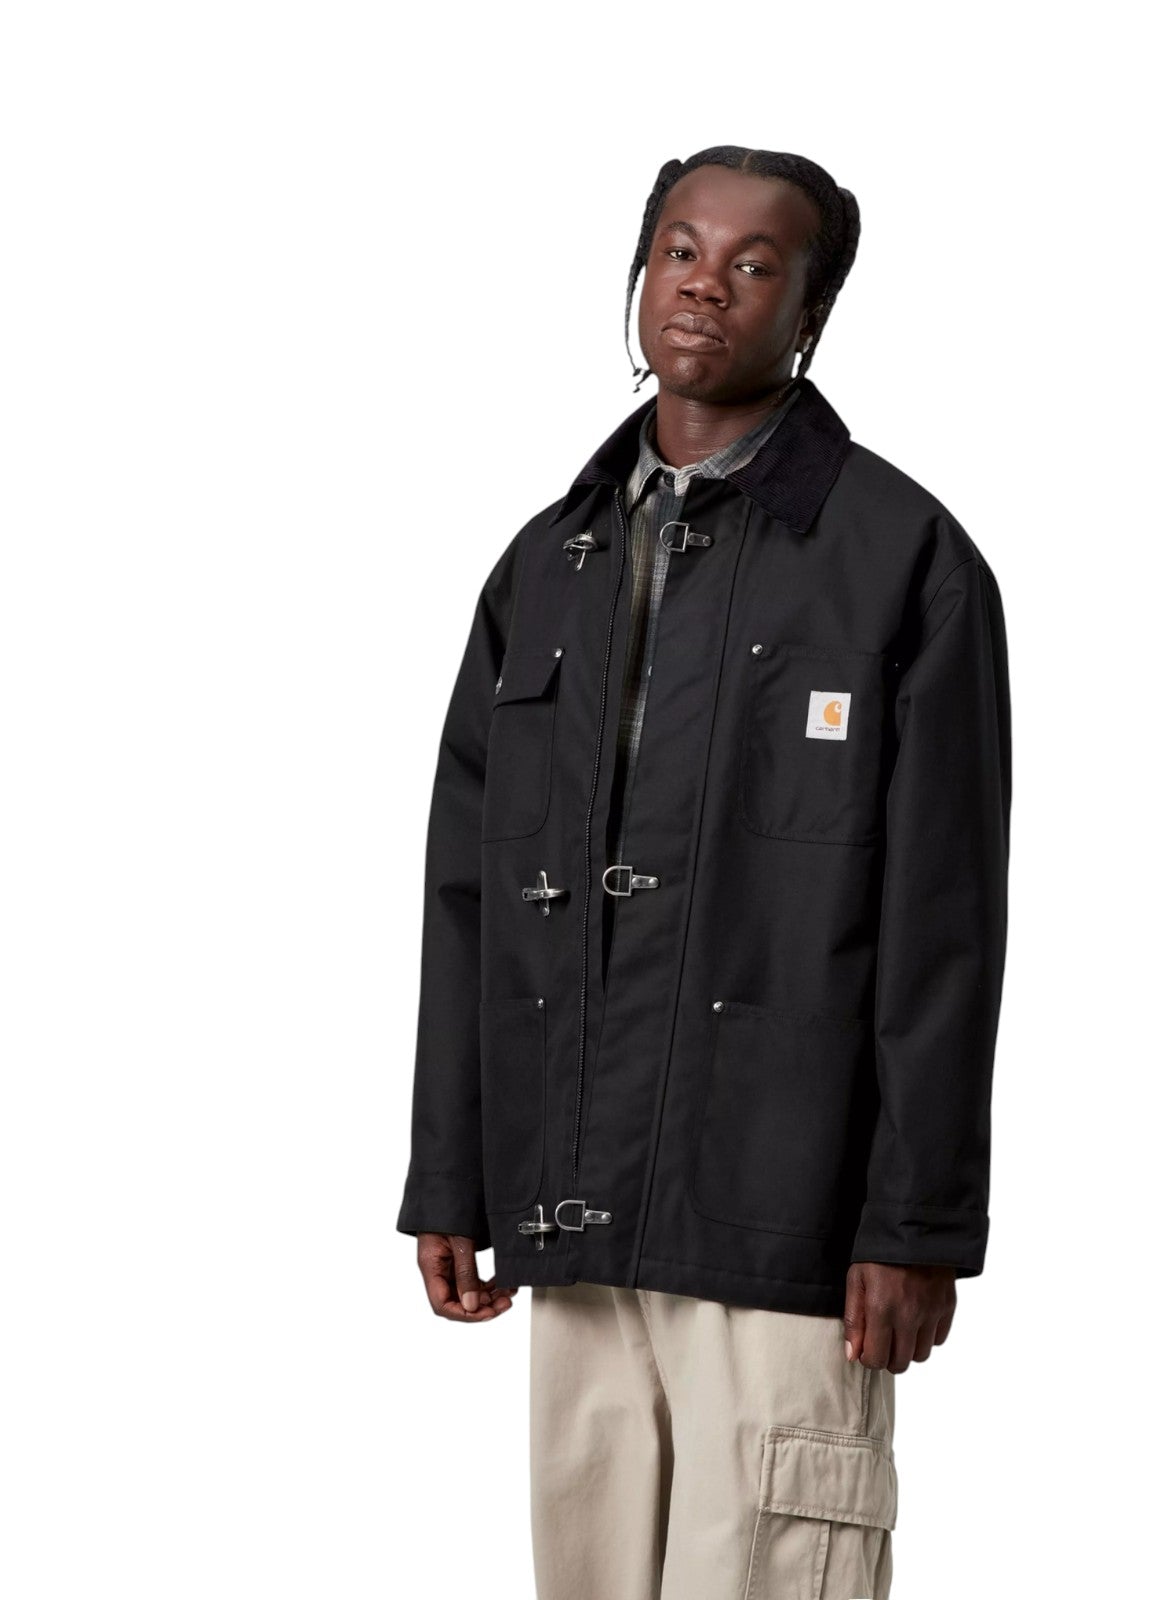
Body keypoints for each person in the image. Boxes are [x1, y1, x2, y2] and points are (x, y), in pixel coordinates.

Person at [397, 144, 1012, 1600]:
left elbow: (945, 921)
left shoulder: (902, 559)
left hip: (786, 1221)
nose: (705, 287)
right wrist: (454, 1170)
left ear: (812, 309)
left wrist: (914, 1223)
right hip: (575, 1214)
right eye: (680, 251)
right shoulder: (547, 564)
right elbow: (468, 894)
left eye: (753, 264)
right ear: (640, 272)